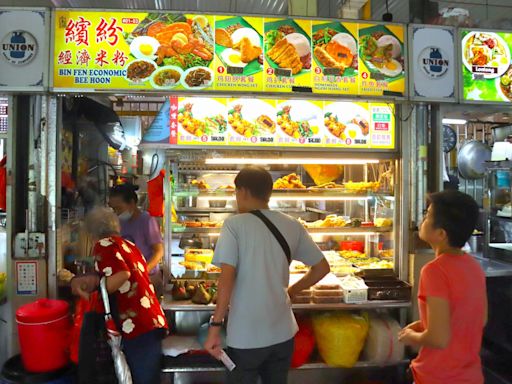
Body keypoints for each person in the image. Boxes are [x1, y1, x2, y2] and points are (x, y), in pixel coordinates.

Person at [204, 166, 330, 384]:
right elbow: (321, 268)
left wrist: (215, 327)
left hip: (246, 335)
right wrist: (292, 291)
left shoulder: (234, 225)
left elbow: (226, 279)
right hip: (283, 332)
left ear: (241, 191)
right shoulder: (292, 224)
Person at [399, 190, 487, 384]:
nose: (422, 219)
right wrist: (425, 325)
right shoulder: (474, 266)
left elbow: (438, 339)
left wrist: (412, 336)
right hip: (470, 376)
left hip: (437, 376)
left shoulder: (434, 271)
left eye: (428, 215)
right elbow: (476, 320)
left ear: (441, 234)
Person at [74, 207, 168, 384]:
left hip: (136, 325)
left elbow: (122, 275)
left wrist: (96, 294)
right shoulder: (128, 245)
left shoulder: (103, 245)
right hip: (149, 321)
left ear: (92, 233)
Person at [109, 183, 164, 294]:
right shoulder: (118, 222)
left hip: (148, 277)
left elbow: (159, 251)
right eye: (113, 209)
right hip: (128, 277)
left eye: (119, 208)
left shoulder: (147, 220)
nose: (116, 212)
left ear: (132, 203)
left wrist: (142, 272)